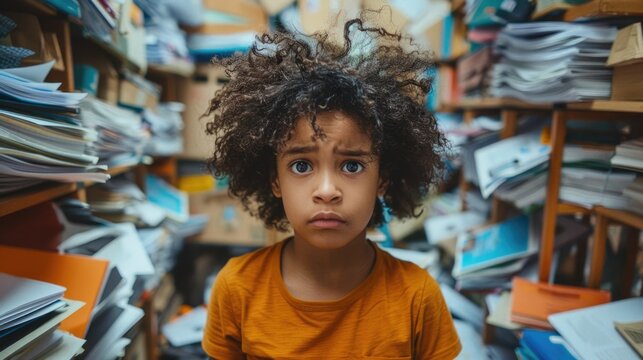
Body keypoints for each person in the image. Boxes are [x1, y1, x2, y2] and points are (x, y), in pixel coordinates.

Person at [201, 16, 461, 359]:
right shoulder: (237, 287)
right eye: (301, 165)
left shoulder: (417, 297)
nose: (326, 190)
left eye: (352, 165)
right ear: (275, 180)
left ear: (382, 178)